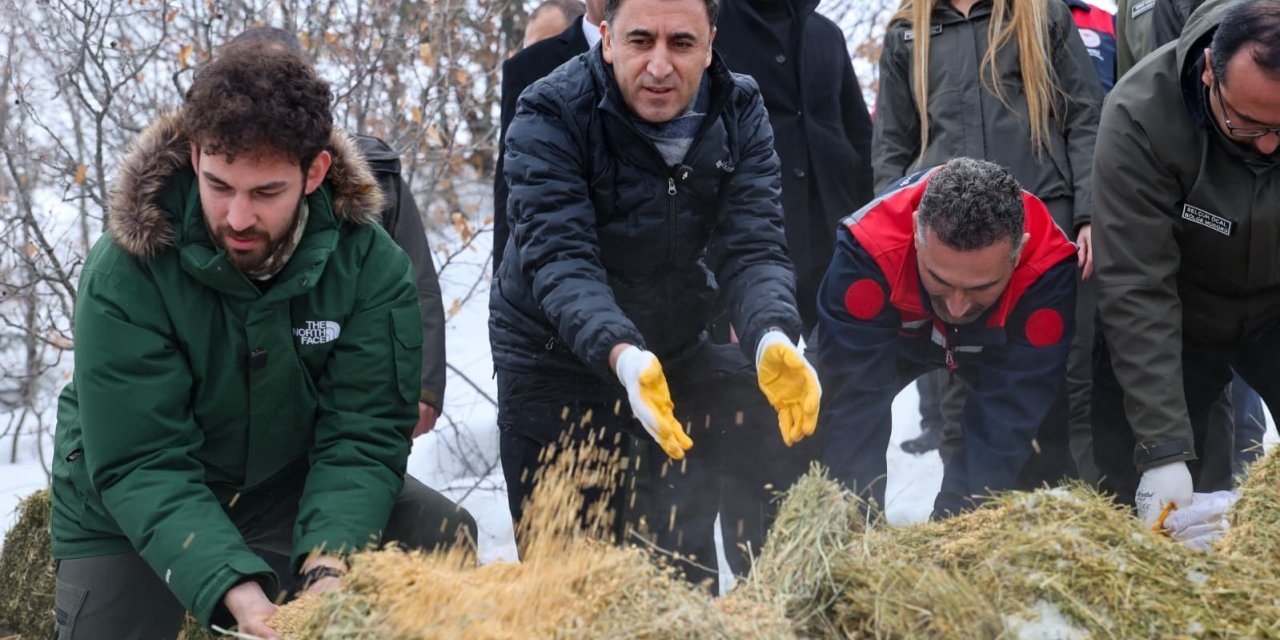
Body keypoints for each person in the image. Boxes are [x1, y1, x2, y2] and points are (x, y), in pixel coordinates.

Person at [48, 44, 475, 638]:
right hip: (127, 497)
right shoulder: (129, 265)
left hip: (284, 480)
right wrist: (236, 591)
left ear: (315, 173)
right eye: (219, 186)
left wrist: (331, 562)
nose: (238, 217)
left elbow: (362, 432)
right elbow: (142, 458)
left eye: (266, 192)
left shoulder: (369, 264)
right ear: (195, 156)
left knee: (437, 532)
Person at [492, 0, 820, 582]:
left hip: (673, 348)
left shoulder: (739, 107)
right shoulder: (550, 110)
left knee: (677, 569)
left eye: (682, 43)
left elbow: (753, 246)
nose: (661, 66)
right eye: (641, 41)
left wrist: (772, 333)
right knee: (576, 586)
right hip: (555, 360)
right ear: (607, 39)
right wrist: (620, 352)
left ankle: (762, 596)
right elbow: (561, 259)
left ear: (711, 44)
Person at [874, 0, 1102, 480]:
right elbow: (892, 144)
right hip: (951, 243)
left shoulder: (1042, 15)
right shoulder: (906, 31)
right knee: (961, 382)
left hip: (1048, 227)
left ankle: (1080, 507)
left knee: (1069, 372)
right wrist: (894, 234)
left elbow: (1085, 115)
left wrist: (1090, 213)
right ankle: (968, 511)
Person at [1091, 0, 1280, 526]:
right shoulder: (1139, 114)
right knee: (1146, 476)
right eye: (1247, 124)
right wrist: (1163, 450)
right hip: (1179, 312)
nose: (1268, 145)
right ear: (1208, 74)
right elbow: (1136, 284)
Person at [817, 157, 1078, 517]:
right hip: (893, 333)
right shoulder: (870, 247)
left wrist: (954, 528)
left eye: (980, 287)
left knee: (1035, 449)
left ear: (1019, 252)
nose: (956, 306)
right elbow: (853, 401)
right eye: (940, 279)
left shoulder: (1045, 266)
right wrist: (851, 521)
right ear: (915, 231)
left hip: (1002, 345)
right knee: (819, 422)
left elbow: (1011, 411)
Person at [226, 26, 448, 438]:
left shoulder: (372, 174)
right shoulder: (199, 189)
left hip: (351, 393)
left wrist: (423, 384)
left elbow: (417, 282)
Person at [714, 0, 875, 336]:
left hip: (837, 241)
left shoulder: (827, 33)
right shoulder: (714, 28)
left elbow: (860, 136)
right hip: (754, 242)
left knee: (842, 361)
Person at [493, 0, 604, 275]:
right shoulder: (525, 68)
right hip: (559, 255)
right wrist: (501, 276)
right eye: (528, 45)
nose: (534, 51)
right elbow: (509, 181)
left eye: (544, 41)